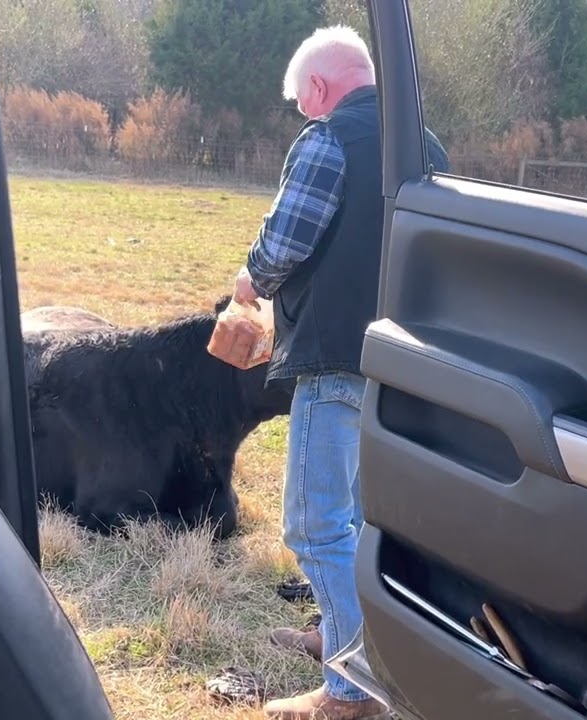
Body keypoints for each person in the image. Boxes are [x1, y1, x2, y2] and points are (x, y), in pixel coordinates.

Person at [208, 24, 449, 720]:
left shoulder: (329, 140)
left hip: (338, 360)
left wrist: (250, 280)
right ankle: (342, 635)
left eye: (301, 102)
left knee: (314, 527)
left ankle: (352, 691)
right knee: (368, 520)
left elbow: (286, 238)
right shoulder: (424, 145)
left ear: (316, 88)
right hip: (404, 366)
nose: (304, 115)